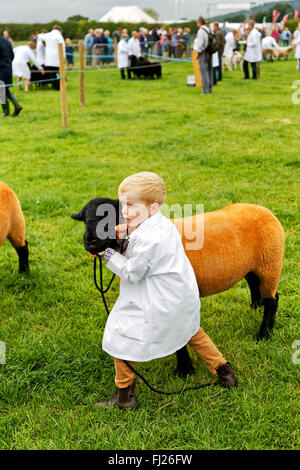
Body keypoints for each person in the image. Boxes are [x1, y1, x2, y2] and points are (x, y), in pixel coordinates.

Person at [90, 172, 237, 410]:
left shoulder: (151, 239)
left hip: (157, 302)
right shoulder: (160, 223)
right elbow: (139, 234)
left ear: (153, 206)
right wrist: (121, 234)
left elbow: (131, 272)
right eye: (122, 203)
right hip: (179, 297)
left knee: (121, 339)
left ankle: (124, 397)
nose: (124, 211)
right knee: (192, 331)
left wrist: (106, 253)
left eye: (131, 205)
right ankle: (224, 371)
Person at [0, 34, 22, 117]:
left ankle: (6, 112)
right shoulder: (6, 41)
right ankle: (17, 106)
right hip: (8, 68)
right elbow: (12, 55)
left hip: (1, 69)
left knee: (1, 90)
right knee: (4, 88)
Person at [38, 25, 65, 90]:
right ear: (60, 30)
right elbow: (63, 48)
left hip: (49, 58)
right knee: (57, 74)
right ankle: (57, 87)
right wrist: (64, 57)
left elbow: (39, 35)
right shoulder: (59, 36)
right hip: (57, 58)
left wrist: (43, 41)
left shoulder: (47, 35)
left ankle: (54, 86)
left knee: (52, 74)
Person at [193, 16, 213, 95]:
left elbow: (200, 44)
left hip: (203, 52)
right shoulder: (208, 29)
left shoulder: (201, 30)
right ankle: (210, 88)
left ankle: (205, 90)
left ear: (199, 23)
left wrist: (198, 53)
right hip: (210, 51)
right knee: (209, 70)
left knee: (204, 71)